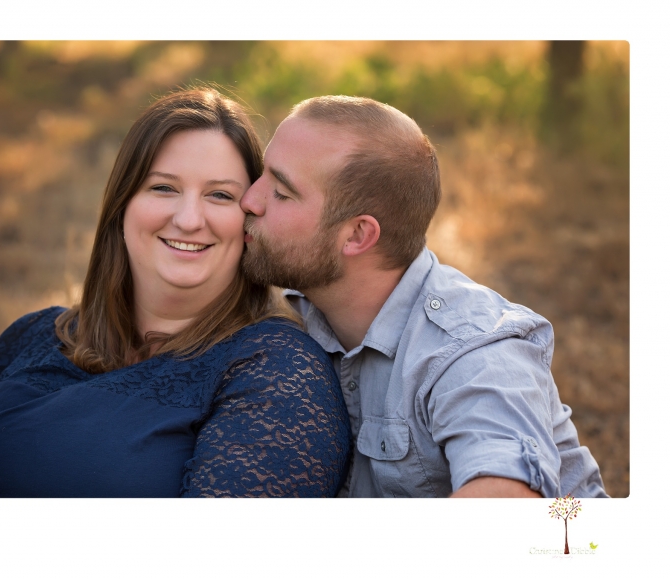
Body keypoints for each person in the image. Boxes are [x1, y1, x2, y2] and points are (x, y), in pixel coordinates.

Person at [0, 88, 351, 498]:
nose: (189, 220)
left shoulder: (275, 370)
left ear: (249, 220)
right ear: (123, 204)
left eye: (220, 195)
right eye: (163, 188)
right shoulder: (32, 335)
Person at [240, 95, 608, 498]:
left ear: (358, 235)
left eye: (281, 192)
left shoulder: (472, 350)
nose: (249, 200)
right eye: (261, 176)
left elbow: (508, 505)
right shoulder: (292, 311)